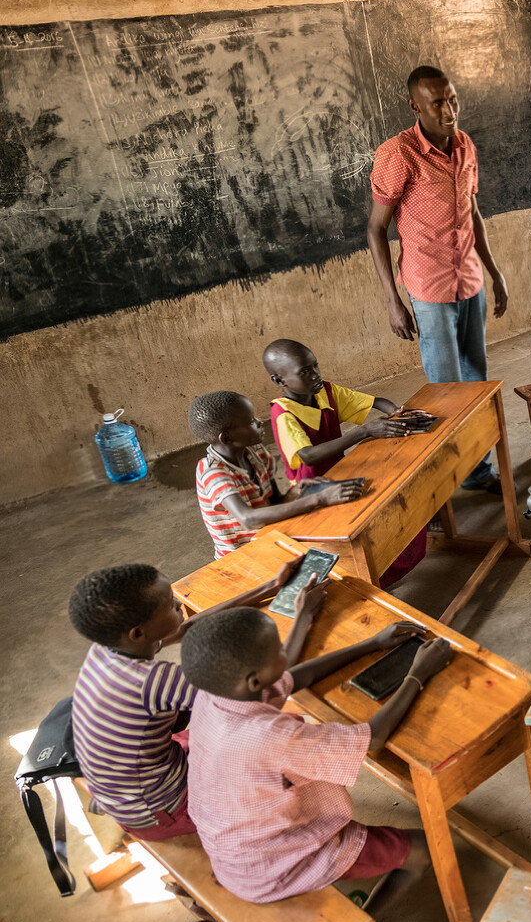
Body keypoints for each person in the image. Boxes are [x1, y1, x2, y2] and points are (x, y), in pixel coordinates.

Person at [181, 607, 449, 910]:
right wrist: (418, 673)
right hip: (274, 867)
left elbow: (296, 677)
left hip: (234, 848)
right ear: (254, 680)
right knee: (426, 848)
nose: (284, 655)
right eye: (277, 652)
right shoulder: (271, 736)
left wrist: (372, 644)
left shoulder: (213, 695)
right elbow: (372, 739)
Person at [67, 560, 301, 842]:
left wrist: (271, 586)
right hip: (166, 810)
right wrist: (304, 615)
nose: (178, 604)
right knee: (286, 738)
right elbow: (266, 687)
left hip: (130, 788)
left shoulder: (107, 647)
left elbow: (186, 628)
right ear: (138, 633)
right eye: (169, 604)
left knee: (254, 728)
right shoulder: (152, 681)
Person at [367, 65, 506, 493]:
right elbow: (375, 230)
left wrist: (495, 272)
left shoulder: (465, 145)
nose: (450, 111)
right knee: (446, 388)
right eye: (438, 104)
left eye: (453, 99)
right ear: (415, 106)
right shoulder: (398, 154)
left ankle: (478, 468)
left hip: (469, 280)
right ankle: (454, 471)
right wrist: (393, 301)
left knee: (476, 378)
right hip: (428, 288)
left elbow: (473, 212)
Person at [263, 340, 428, 587]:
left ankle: (391, 557)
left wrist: (396, 411)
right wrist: (364, 432)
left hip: (343, 473)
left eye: (315, 366)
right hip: (314, 490)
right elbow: (307, 455)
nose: (315, 375)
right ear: (279, 380)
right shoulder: (283, 413)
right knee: (383, 506)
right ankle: (372, 578)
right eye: (304, 372)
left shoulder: (324, 392)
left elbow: (374, 401)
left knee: (401, 488)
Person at [190, 390, 364, 558]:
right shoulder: (212, 472)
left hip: (269, 538)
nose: (259, 422)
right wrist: (319, 498)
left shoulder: (256, 452)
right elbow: (248, 519)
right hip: (241, 558)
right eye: (250, 421)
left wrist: (294, 493)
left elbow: (274, 502)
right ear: (227, 438)